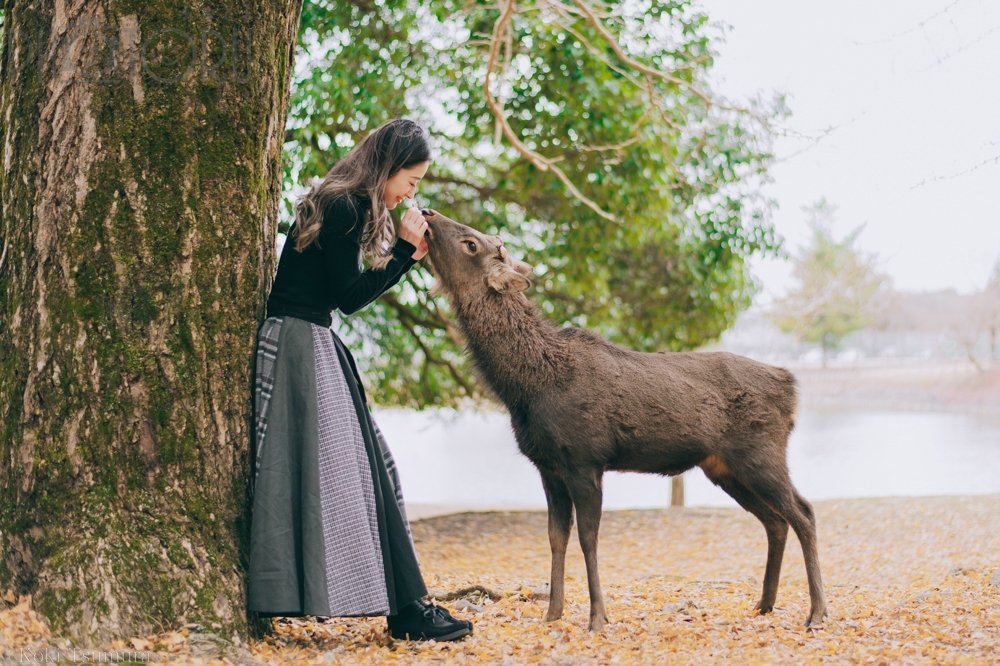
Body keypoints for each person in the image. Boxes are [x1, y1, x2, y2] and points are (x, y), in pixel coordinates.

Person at [248, 118, 471, 642]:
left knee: (363, 470)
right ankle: (407, 611)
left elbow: (337, 294)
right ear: (389, 168)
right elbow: (348, 297)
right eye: (410, 182)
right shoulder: (346, 206)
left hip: (305, 340)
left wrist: (405, 256)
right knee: (355, 475)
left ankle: (406, 607)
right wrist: (404, 253)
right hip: (301, 343)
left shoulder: (338, 201)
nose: (409, 194)